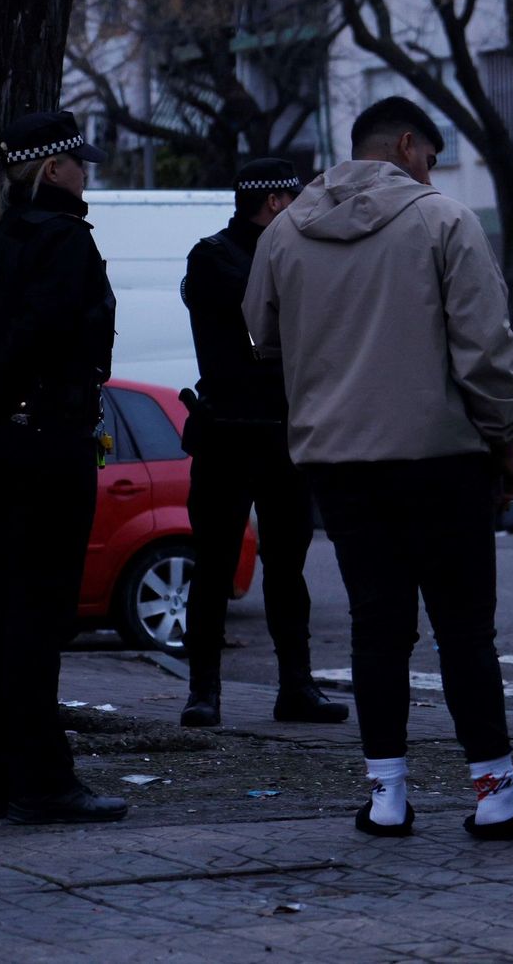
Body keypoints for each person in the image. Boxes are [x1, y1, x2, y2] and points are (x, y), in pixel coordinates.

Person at [242, 96, 513, 840]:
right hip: (442, 459)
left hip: (338, 464)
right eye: (431, 157)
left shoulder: (284, 232)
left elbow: (262, 336)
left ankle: (387, 797)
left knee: (376, 628)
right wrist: (505, 441)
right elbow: (485, 352)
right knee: (463, 630)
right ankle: (496, 794)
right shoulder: (444, 221)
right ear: (408, 145)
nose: (431, 171)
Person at [0, 110, 126, 825]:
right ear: (53, 169)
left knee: (2, 610)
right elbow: (39, 332)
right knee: (40, 616)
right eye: (79, 162)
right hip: (46, 444)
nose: (86, 173)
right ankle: (42, 783)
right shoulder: (63, 241)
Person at [177, 158, 347, 728]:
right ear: (275, 202)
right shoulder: (213, 256)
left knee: (288, 567)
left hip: (282, 435)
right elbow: (268, 310)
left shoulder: (289, 255)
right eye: (297, 200)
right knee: (214, 565)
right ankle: (203, 691)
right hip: (227, 434)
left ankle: (296, 686)